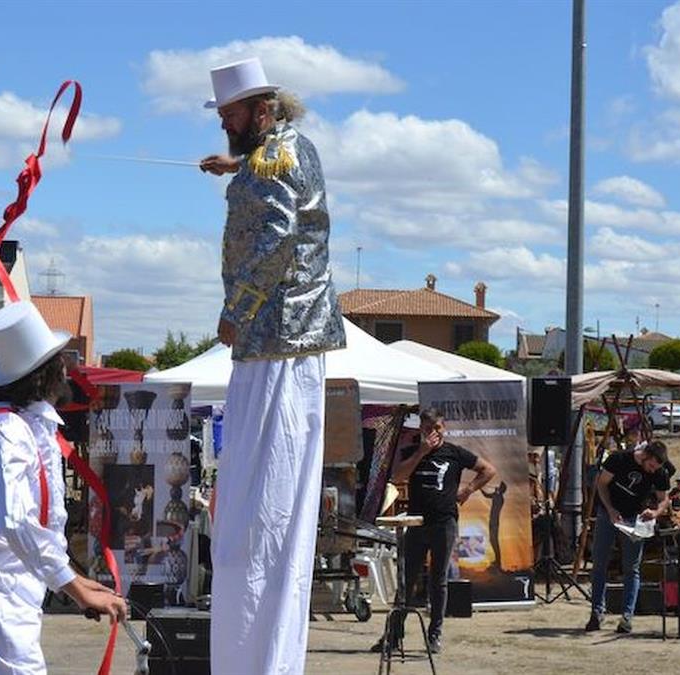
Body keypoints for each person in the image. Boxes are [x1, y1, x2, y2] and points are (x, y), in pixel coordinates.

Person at [197, 57, 346, 675]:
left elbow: (278, 234)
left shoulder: (279, 155)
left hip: (277, 338)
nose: (225, 125)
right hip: (278, 342)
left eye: (232, 115)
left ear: (261, 111)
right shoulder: (279, 150)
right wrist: (238, 167)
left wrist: (237, 306)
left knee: (262, 501)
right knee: (259, 496)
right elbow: (274, 176)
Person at [0, 301, 126, 673]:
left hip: (6, 591)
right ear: (43, 373)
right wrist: (74, 586)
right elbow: (17, 521)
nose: (66, 367)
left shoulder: (22, 426)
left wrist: (72, 582)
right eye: (58, 360)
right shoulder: (6, 432)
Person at [371, 408, 497, 654]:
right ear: (421, 430)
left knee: (439, 580)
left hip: (444, 521)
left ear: (444, 427)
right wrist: (422, 451)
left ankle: (434, 634)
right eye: (428, 429)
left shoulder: (454, 453)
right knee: (406, 581)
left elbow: (488, 470)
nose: (434, 433)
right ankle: (394, 636)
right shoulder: (413, 452)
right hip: (417, 522)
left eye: (437, 428)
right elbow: (397, 477)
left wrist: (469, 489)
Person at [586, 440, 674, 634]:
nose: (652, 471)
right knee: (600, 563)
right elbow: (601, 484)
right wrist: (610, 509)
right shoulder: (619, 459)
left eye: (656, 468)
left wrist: (655, 512)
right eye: (650, 466)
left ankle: (627, 616)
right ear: (645, 456)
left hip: (634, 519)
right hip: (609, 514)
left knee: (631, 567)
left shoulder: (659, 472)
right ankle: (596, 612)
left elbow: (663, 499)